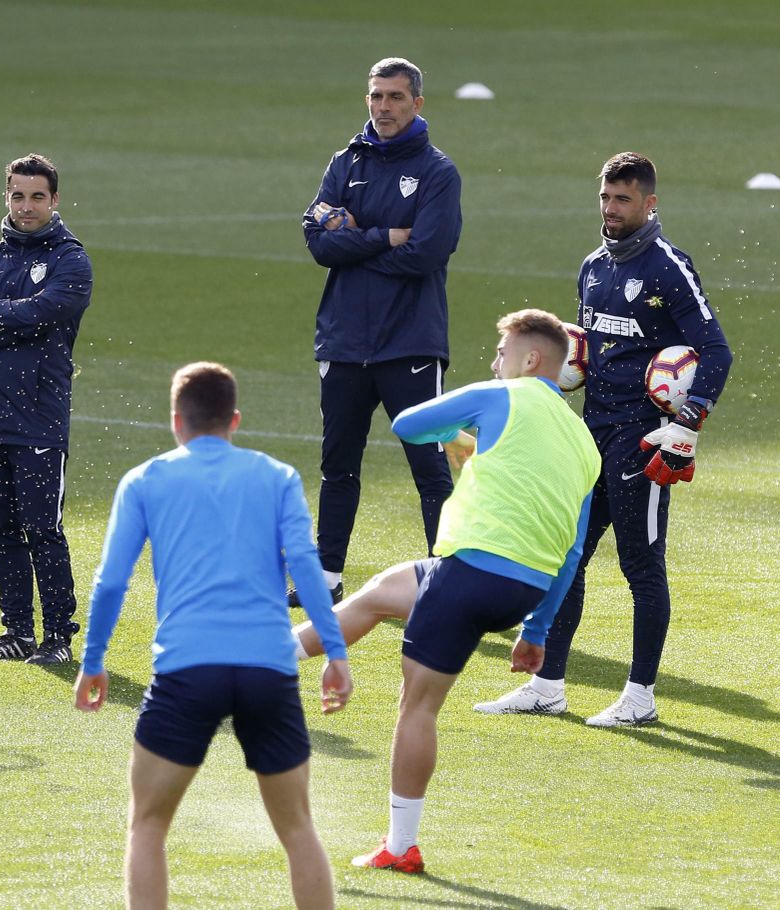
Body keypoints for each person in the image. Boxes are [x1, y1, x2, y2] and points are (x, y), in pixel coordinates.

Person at [292, 310, 599, 873]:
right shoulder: (585, 444)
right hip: (519, 589)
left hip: (470, 575)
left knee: (418, 709)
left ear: (530, 360)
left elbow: (408, 423)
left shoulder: (502, 397)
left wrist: (464, 433)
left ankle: (401, 846)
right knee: (381, 592)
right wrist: (536, 632)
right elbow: (574, 553)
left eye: (501, 353)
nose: (493, 362)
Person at [73, 362, 353, 910]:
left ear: (176, 421)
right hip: (268, 672)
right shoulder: (277, 477)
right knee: (298, 829)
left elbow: (110, 582)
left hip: (185, 672)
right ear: (235, 420)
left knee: (148, 825)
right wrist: (336, 652)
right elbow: (305, 564)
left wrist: (93, 659)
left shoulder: (145, 480)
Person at [475, 152, 732, 727]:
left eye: (622, 200)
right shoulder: (593, 265)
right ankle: (547, 685)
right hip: (590, 434)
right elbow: (593, 345)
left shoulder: (669, 268)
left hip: (644, 439)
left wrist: (685, 424)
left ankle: (640, 696)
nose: (611, 210)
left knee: (642, 565)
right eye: (605, 198)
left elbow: (716, 350)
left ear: (649, 203)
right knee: (568, 554)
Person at [297, 56, 461, 609]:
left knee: (429, 466)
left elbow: (427, 253)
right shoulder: (346, 161)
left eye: (394, 97)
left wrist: (357, 242)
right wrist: (385, 236)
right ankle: (326, 578)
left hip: (410, 342)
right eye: (375, 96)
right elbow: (318, 242)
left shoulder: (438, 172)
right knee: (337, 463)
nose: (383, 107)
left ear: (418, 102)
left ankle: (448, 580)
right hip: (344, 340)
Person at [0, 153, 92, 665]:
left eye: (37, 197)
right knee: (0, 531)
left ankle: (57, 638)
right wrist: (14, 320)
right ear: (5, 196)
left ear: (55, 200)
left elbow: (48, 312)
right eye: (18, 196)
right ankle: (16, 633)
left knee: (43, 530)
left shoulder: (71, 260)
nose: (26, 207)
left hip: (39, 421)